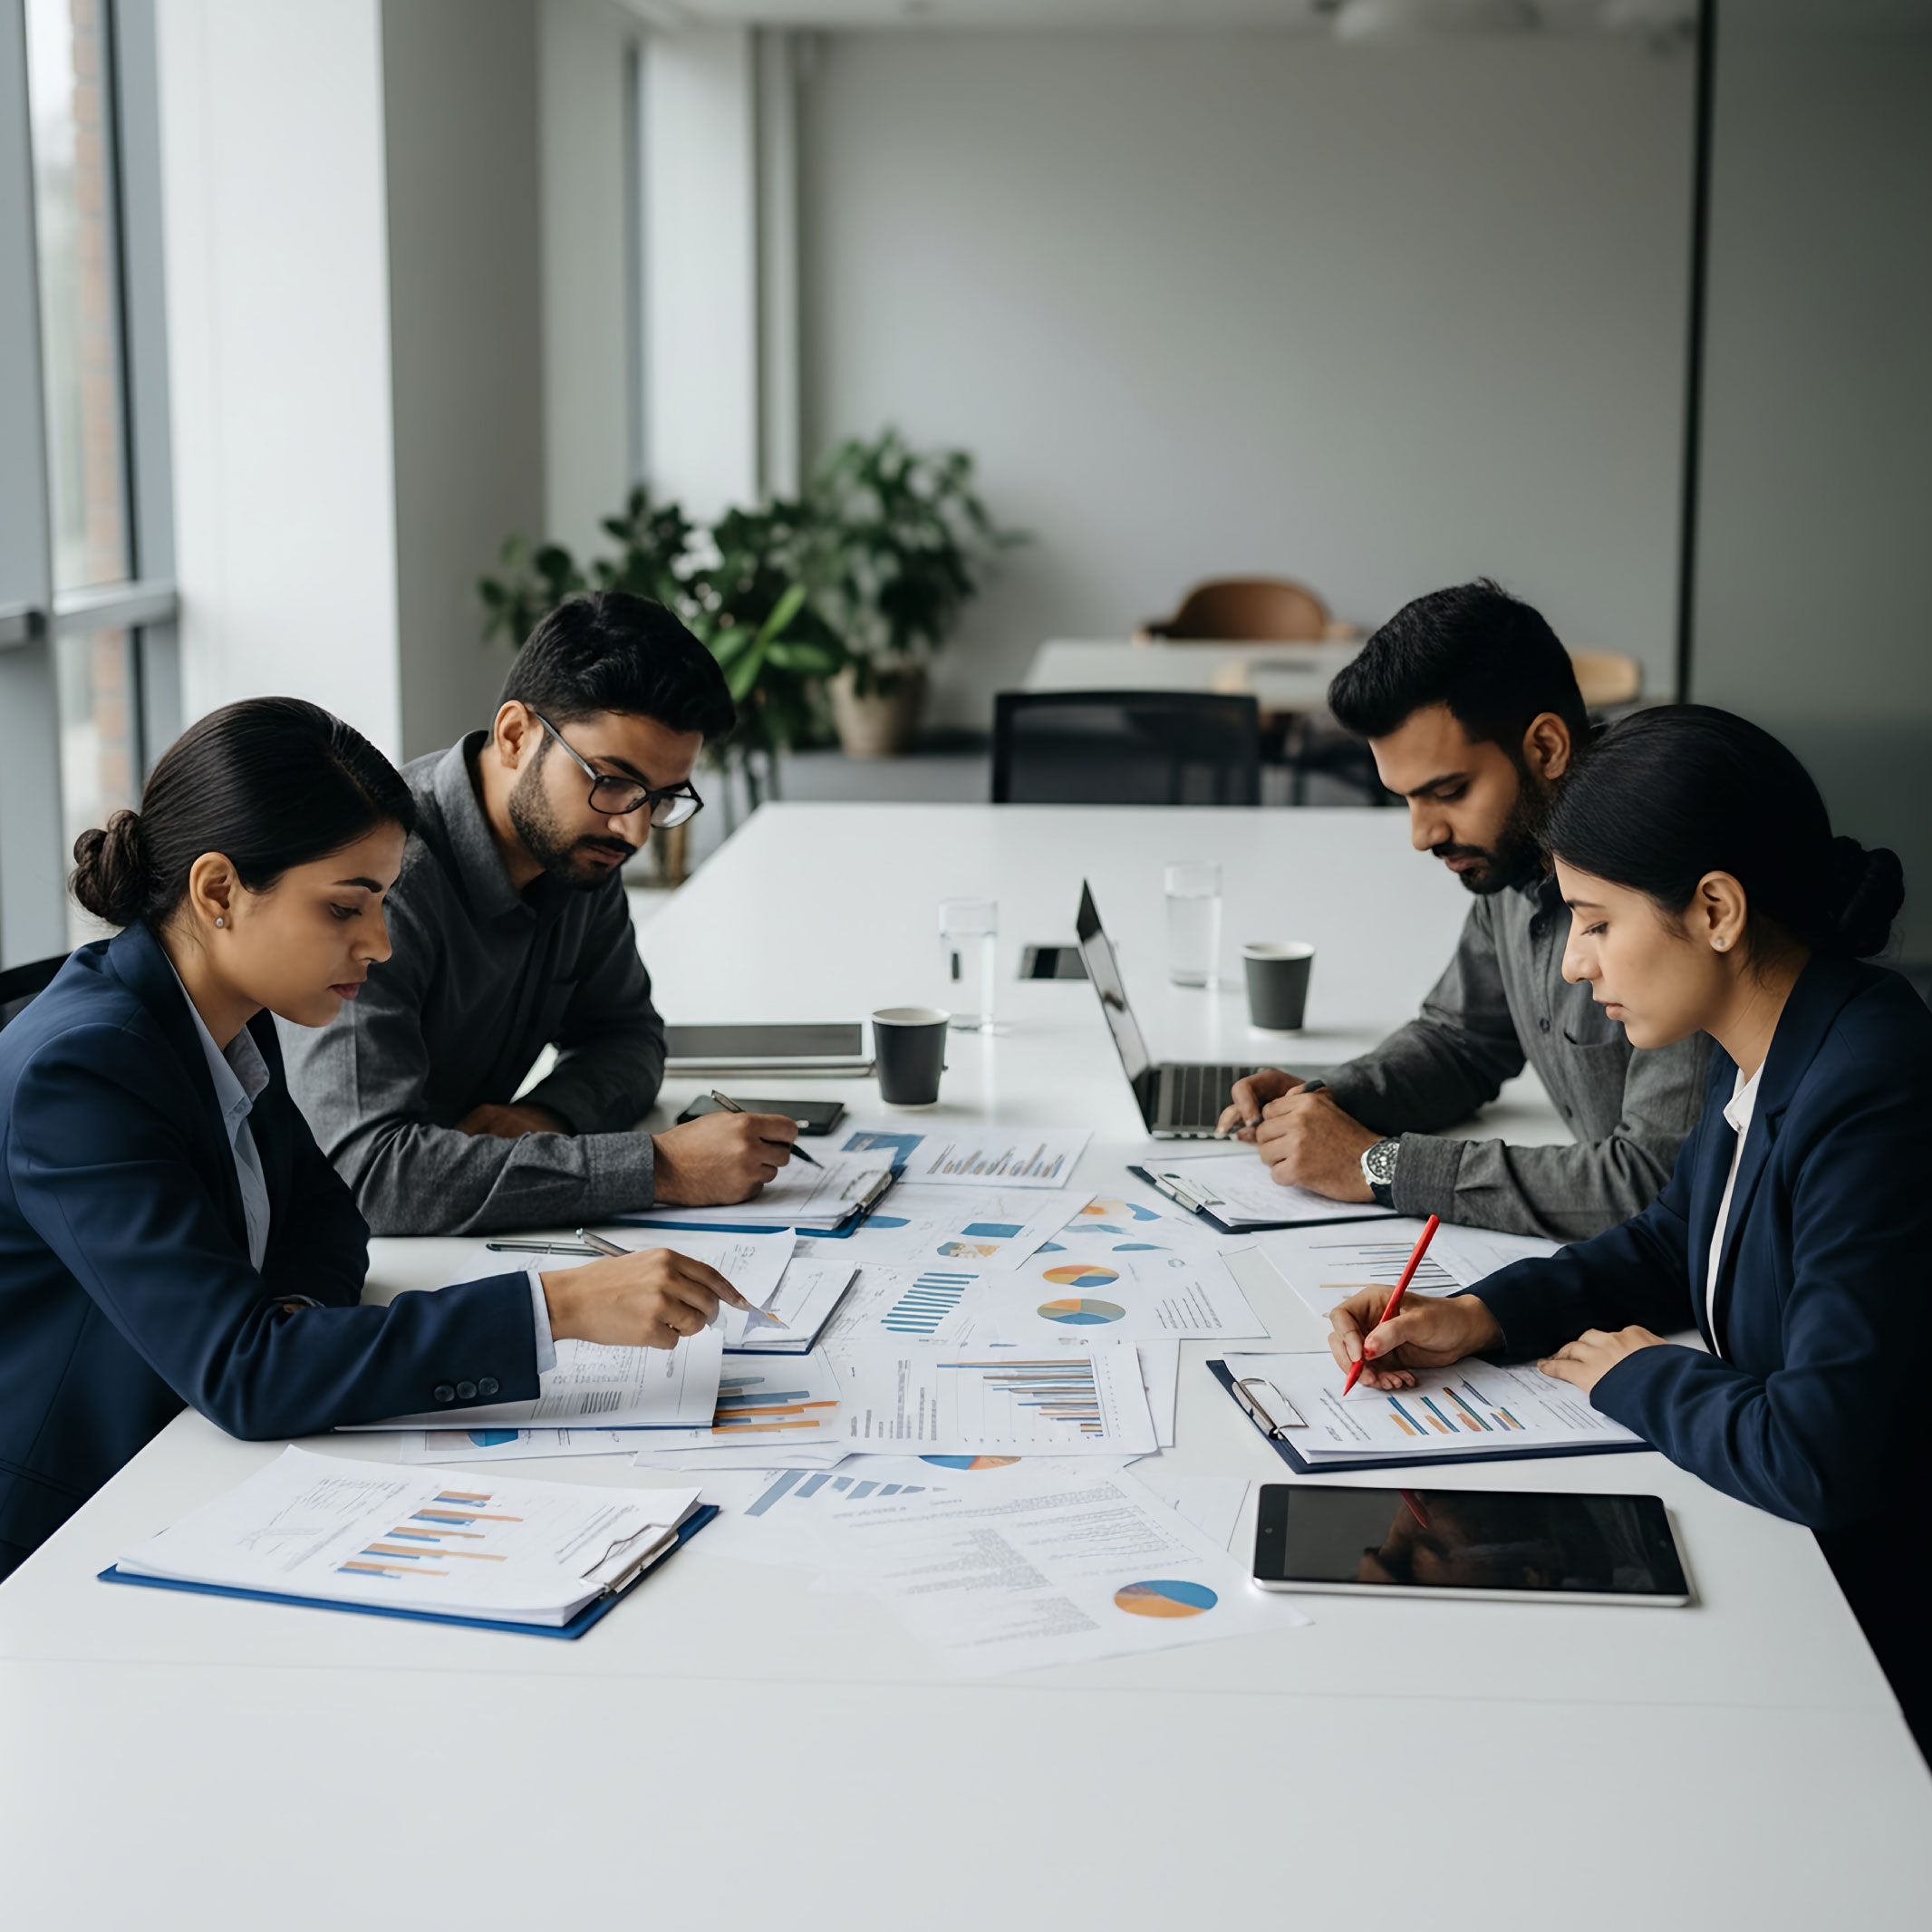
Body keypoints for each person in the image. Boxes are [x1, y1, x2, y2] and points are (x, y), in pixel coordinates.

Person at [0, 698, 761, 1579]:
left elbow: (329, 1224)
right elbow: (249, 1376)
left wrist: (287, 1325)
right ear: (217, 892)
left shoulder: (229, 1015)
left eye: (384, 903)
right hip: (71, 1529)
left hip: (197, 1459)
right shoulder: (86, 1068)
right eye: (344, 908)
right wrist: (559, 1307)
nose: (380, 942)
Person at [1324, 706, 1928, 1751]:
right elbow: (1668, 1239)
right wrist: (1476, 1315)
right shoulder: (1767, 1042)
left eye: (1595, 923)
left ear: (1714, 909)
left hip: (1871, 1632)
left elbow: (1815, 1451)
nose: (1571, 963)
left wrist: (1633, 1376)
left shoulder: (1867, 1087)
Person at [282, 591, 803, 1236]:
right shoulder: (385, 883)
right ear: (514, 735)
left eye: (662, 799)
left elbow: (628, 1038)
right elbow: (367, 1173)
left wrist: (546, 1119)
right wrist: (657, 1168)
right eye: (610, 780)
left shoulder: (581, 852)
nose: (635, 830)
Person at [1218, 580, 1707, 1241]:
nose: (1423, 834)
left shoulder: (1662, 881)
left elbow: (1653, 1183)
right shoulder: (1512, 857)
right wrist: (1325, 1106)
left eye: (1448, 791)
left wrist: (1378, 1165)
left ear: (1545, 749)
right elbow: (1463, 1041)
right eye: (1407, 800)